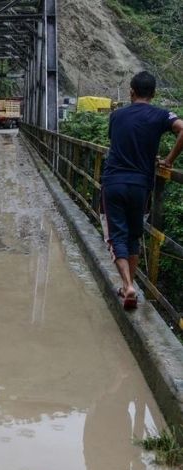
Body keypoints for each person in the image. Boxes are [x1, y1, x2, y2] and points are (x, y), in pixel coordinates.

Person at [101, 71, 183, 309]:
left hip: (114, 182)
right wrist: (168, 160)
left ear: (131, 92)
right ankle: (130, 286)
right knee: (134, 235)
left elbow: (117, 143)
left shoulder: (116, 115)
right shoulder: (160, 115)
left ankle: (127, 285)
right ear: (154, 94)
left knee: (116, 235)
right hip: (141, 185)